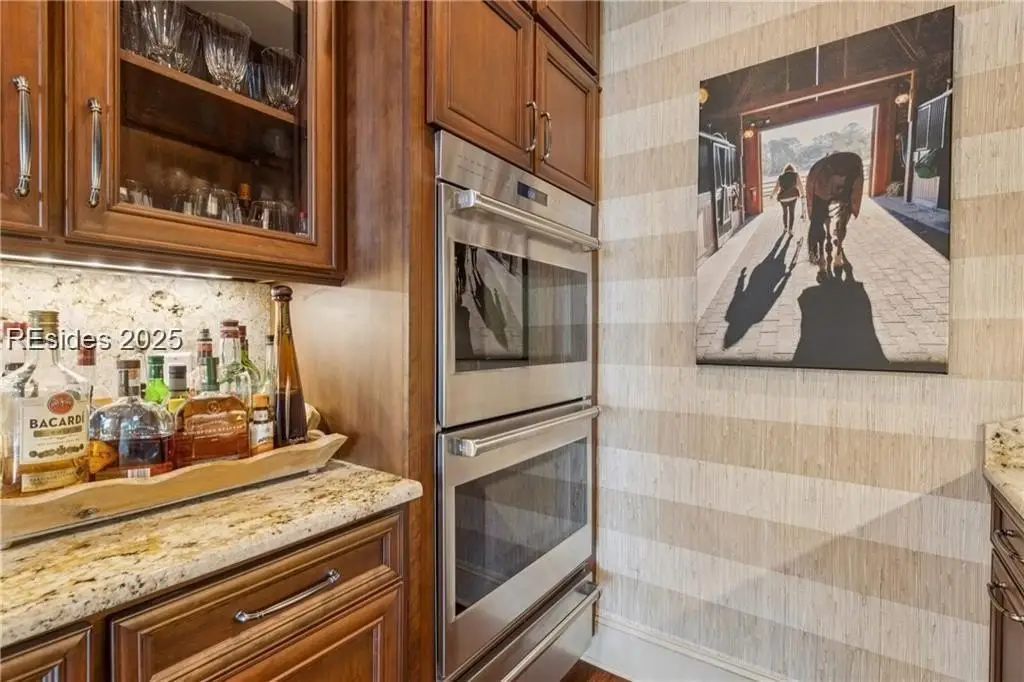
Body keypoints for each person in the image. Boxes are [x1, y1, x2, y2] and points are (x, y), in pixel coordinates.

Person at [771, 163, 802, 234]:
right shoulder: (796, 175)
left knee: (785, 213)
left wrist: (772, 195)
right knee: (792, 213)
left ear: (785, 170)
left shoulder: (781, 177)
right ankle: (790, 229)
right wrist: (803, 194)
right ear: (793, 169)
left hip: (783, 198)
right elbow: (800, 185)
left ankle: (785, 227)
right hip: (793, 197)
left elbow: (776, 188)